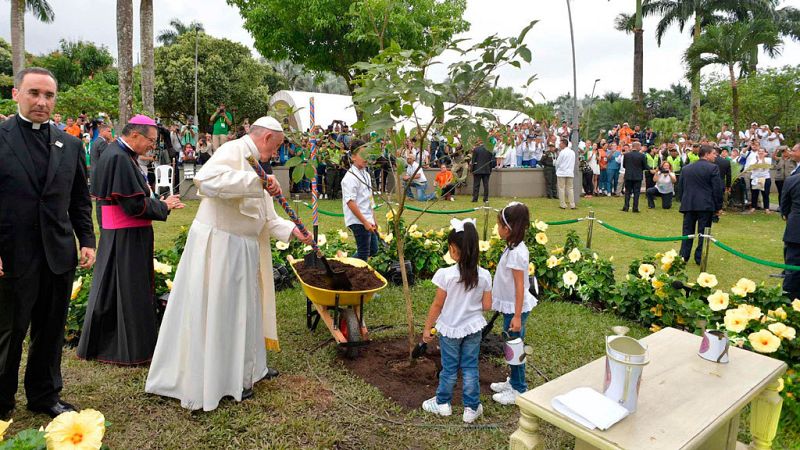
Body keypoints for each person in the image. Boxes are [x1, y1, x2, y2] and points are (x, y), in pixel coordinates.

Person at [145, 117, 313, 411]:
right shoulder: (234, 150)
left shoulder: (259, 164)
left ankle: (250, 371)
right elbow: (206, 180)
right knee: (221, 312)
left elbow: (266, 216)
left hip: (244, 249)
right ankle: (220, 380)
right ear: (266, 138)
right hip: (221, 245)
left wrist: (292, 231)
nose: (275, 154)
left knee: (246, 312)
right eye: (275, 147)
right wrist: (254, 181)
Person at [0, 67, 95, 420]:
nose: (42, 102)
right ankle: (1, 399)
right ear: (16, 94)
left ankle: (44, 395)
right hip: (12, 253)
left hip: (57, 252)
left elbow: (80, 200)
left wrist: (87, 240)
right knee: (9, 329)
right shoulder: (1, 137)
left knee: (51, 328)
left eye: (49, 95)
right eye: (34, 93)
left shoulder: (69, 144)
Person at [76, 115, 185, 366]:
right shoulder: (118, 158)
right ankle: (132, 350)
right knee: (129, 291)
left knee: (113, 289)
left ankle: (107, 344)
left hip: (121, 234)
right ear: (135, 134)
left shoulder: (119, 154)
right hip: (126, 235)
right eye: (151, 140)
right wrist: (164, 206)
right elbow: (133, 205)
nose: (152, 146)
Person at [421, 218, 492, 423]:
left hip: (450, 330)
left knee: (449, 368)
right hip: (473, 328)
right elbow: (487, 306)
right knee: (470, 367)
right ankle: (471, 408)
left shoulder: (447, 275)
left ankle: (443, 403)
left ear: (454, 249)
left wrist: (428, 328)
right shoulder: (485, 276)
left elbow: (437, 305)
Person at [489, 202, 536, 405]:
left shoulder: (517, 254)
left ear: (508, 228)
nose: (497, 229)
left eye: (499, 225)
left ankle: (519, 388)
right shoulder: (513, 247)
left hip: (515, 309)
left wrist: (517, 316)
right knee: (511, 345)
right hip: (511, 307)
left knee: (515, 347)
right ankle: (514, 381)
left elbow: (519, 287)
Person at [678, 145, 723, 264]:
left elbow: (681, 187)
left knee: (687, 232)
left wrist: (683, 200)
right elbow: (717, 189)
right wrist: (718, 207)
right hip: (705, 205)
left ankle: (683, 256)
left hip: (689, 204)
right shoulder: (713, 168)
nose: (715, 156)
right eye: (714, 153)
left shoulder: (687, 168)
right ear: (706, 154)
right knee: (703, 233)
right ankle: (699, 258)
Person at [341, 140, 378, 261]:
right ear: (353, 157)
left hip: (367, 218)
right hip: (358, 220)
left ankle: (346, 264)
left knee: (374, 249)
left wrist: (373, 219)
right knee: (363, 254)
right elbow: (350, 202)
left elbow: (369, 198)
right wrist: (365, 222)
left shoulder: (366, 174)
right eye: (362, 155)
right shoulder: (350, 177)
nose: (366, 158)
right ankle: (346, 268)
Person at [780, 144, 800, 300]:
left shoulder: (792, 180)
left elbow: (784, 207)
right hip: (795, 229)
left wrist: (787, 217)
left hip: (795, 228)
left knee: (792, 266)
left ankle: (789, 298)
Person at [622, 142, 647, 212]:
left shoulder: (626, 155)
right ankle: (635, 207)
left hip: (628, 175)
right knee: (636, 192)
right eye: (640, 146)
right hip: (637, 176)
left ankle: (626, 207)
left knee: (627, 192)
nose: (641, 148)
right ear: (637, 146)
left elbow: (624, 165)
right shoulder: (642, 156)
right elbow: (644, 166)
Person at [747, 147, 772, 214]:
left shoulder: (768, 159)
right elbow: (752, 168)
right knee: (754, 194)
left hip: (765, 178)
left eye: (762, 151)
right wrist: (757, 161)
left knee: (765, 194)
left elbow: (765, 167)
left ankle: (766, 208)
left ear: (765, 152)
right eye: (759, 151)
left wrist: (763, 159)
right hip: (755, 178)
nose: (761, 152)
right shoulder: (753, 159)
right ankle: (753, 207)